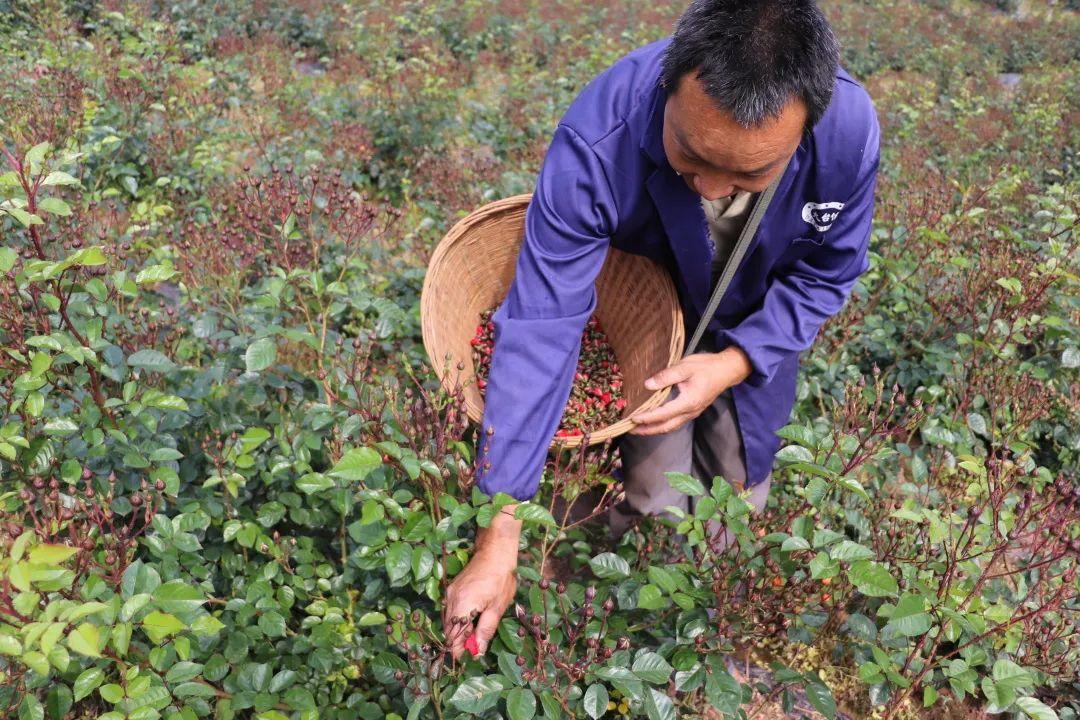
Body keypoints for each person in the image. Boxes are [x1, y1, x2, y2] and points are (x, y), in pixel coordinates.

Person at [443, 0, 881, 660]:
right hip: (647, 321)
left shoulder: (845, 134)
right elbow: (542, 321)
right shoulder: (601, 136)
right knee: (654, 487)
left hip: (752, 320)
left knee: (740, 486)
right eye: (691, 155)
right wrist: (499, 531)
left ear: (805, 129)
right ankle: (641, 609)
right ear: (668, 85)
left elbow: (825, 275)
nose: (711, 188)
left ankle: (714, 609)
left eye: (750, 174)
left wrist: (734, 362)